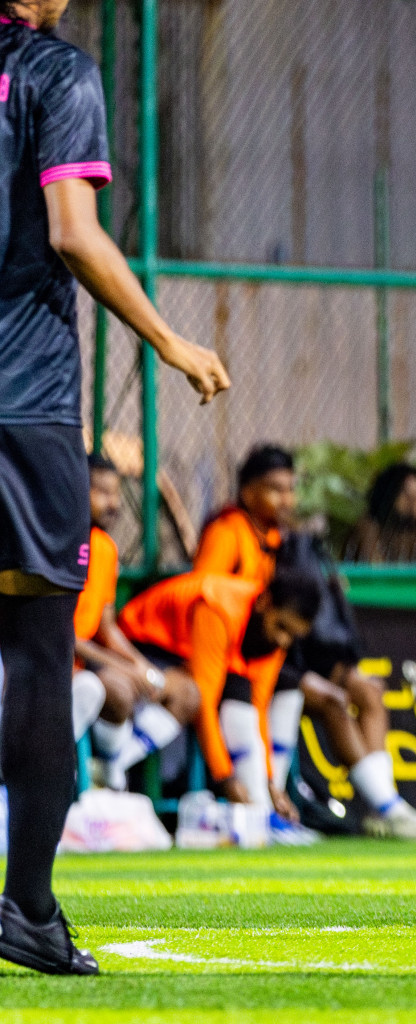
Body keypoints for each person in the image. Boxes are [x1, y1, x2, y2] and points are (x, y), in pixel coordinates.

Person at [0, 0, 228, 975]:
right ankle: (31, 911)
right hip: (22, 405)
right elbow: (74, 232)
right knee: (39, 658)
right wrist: (171, 340)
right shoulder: (58, 71)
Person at [197, 444, 416, 841]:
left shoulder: (288, 539)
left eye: (290, 489)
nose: (285, 499)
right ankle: (377, 808)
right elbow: (206, 594)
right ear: (246, 491)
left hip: (284, 652)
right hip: (239, 656)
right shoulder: (227, 532)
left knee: (369, 691)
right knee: (328, 699)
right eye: (273, 489)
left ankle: (387, 807)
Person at [114, 567, 322, 815]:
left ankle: (261, 806)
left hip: (183, 659)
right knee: (188, 707)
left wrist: (269, 781)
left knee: (240, 694)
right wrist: (226, 778)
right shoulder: (218, 607)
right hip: (140, 650)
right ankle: (113, 767)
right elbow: (205, 698)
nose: (284, 641)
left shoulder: (274, 635)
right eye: (281, 627)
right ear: (265, 602)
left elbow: (259, 707)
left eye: (293, 636)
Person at [73, 455, 200, 782]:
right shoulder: (59, 545)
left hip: (92, 658)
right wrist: (127, 670)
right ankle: (103, 776)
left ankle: (114, 766)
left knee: (186, 692)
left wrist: (143, 667)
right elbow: (64, 637)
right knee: (120, 689)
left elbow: (106, 626)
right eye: (102, 492)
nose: (114, 503)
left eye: (117, 493)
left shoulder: (106, 548)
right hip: (64, 664)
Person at [343, 463, 416, 564]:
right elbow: (376, 572)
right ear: (388, 496)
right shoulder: (370, 525)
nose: (415, 501)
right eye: (406, 493)